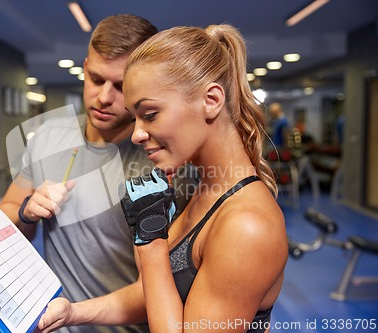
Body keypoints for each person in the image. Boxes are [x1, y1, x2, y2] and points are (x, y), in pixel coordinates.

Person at [37, 24, 288, 333]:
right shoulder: (209, 190)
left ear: (210, 100)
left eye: (150, 114)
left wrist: (151, 244)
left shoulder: (247, 225)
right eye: (134, 117)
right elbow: (160, 294)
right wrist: (73, 312)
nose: (138, 134)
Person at [0, 14, 196, 333]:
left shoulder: (163, 164)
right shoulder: (50, 135)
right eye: (95, 78)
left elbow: (160, 287)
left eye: (120, 86)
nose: (104, 97)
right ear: (85, 65)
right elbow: (6, 216)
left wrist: (76, 312)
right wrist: (26, 212)